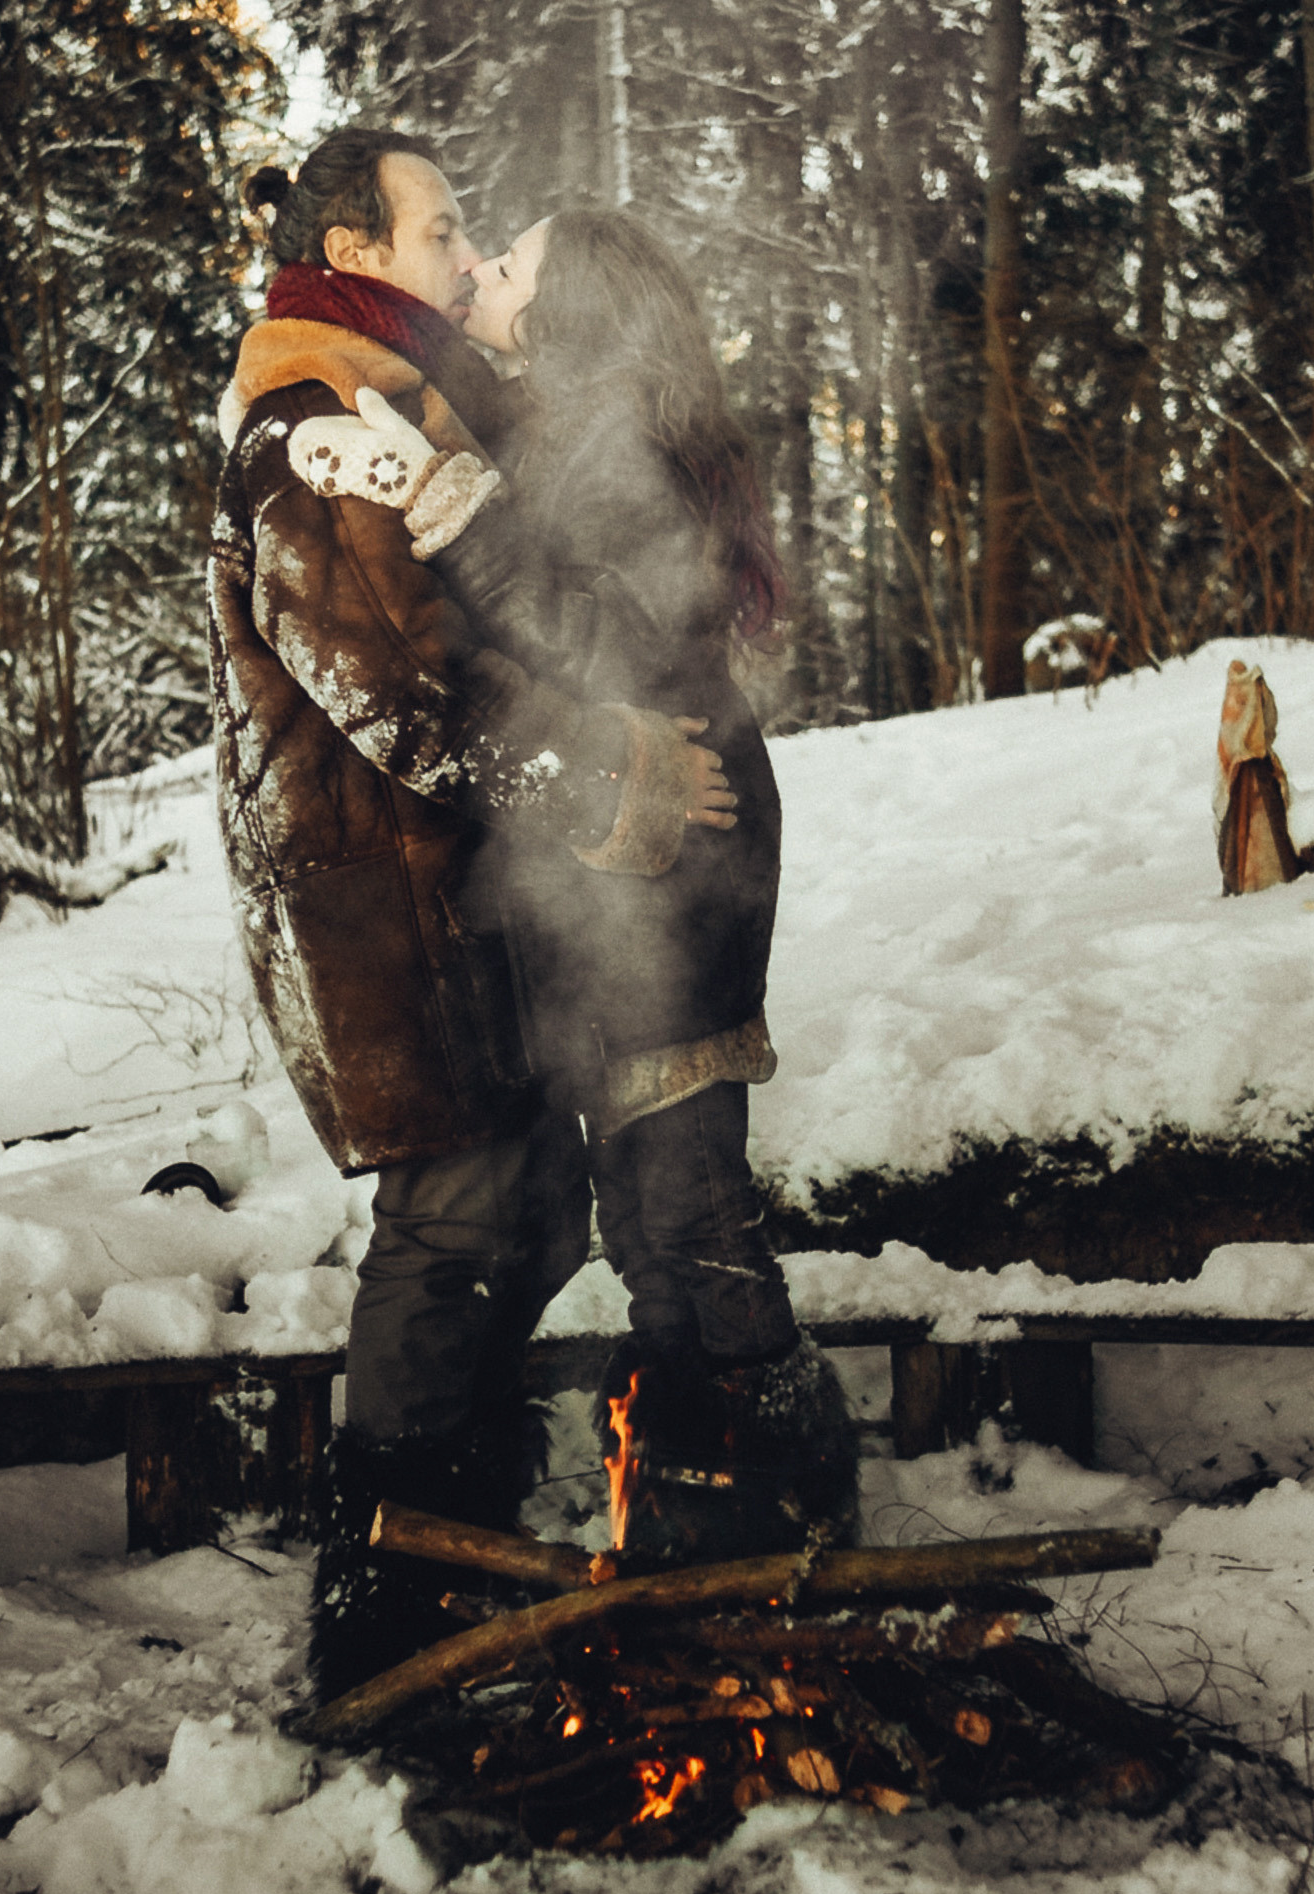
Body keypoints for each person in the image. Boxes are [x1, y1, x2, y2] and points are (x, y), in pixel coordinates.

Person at [205, 133, 734, 1697]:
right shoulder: (317, 426)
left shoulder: (402, 409)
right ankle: (386, 1614)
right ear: (362, 254)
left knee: (515, 1212)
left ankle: (453, 1567)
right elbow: (401, 689)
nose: (463, 249)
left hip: (457, 899)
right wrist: (619, 773)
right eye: (441, 228)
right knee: (456, 1224)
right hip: (390, 913)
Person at [292, 209, 858, 1567]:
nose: (479, 272)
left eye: (511, 265)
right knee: (654, 1211)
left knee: (679, 1212)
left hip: (674, 836)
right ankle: (734, 1523)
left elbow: (617, 636)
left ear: (576, 311)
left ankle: (768, 1515)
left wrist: (456, 511)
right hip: (630, 835)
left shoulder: (614, 435)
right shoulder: (566, 420)